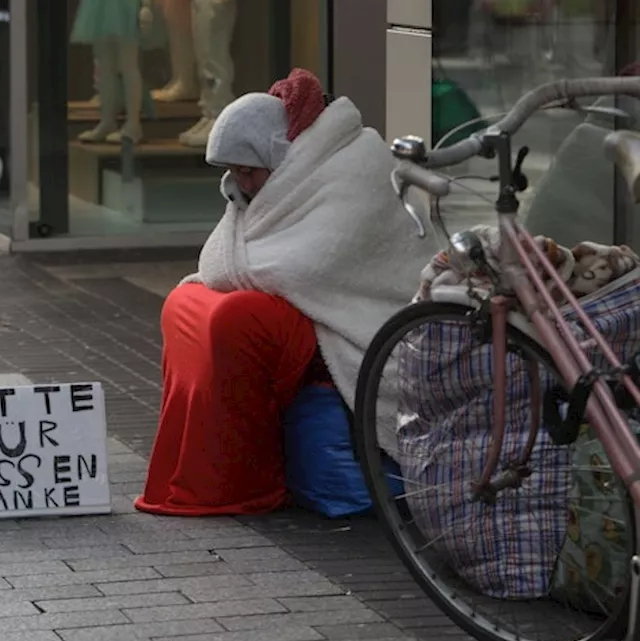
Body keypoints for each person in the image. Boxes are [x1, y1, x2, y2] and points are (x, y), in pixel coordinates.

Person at [136, 69, 433, 517]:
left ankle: (242, 484)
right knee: (187, 304)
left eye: (247, 171)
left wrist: (240, 272)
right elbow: (222, 260)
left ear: (275, 154)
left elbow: (308, 266)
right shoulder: (278, 174)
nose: (242, 184)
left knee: (235, 319)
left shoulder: (354, 166)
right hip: (305, 310)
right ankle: (203, 475)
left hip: (360, 323)